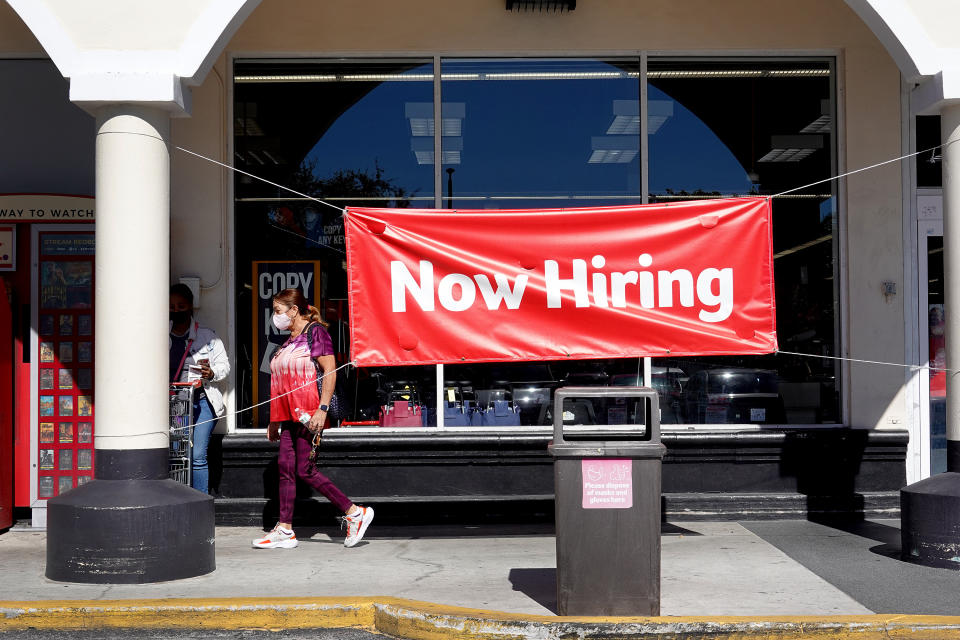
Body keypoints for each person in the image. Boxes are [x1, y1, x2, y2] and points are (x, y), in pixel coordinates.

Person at [252, 287, 373, 550]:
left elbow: (330, 371)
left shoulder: (315, 333)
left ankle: (354, 513)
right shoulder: (288, 341)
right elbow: (280, 383)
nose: (276, 317)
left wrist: (323, 408)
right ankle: (285, 529)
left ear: (294, 310)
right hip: (287, 417)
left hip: (309, 414)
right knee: (285, 469)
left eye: (278, 311)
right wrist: (274, 420)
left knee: (304, 469)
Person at [169, 283, 230, 495]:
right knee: (177, 453)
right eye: (172, 307)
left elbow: (225, 366)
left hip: (202, 401)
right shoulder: (159, 336)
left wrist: (211, 373)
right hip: (175, 404)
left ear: (191, 307)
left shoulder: (206, 336)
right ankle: (178, 500)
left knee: (197, 456)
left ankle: (201, 503)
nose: (176, 311)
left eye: (181, 306)